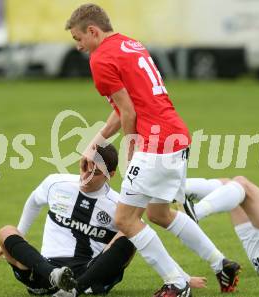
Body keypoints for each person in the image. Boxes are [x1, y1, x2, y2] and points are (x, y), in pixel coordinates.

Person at [65, 4, 240, 296]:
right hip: (175, 136)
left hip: (154, 144)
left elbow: (128, 113)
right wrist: (94, 144)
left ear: (92, 31)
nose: (78, 45)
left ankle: (176, 282)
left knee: (125, 219)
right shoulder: (130, 44)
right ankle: (221, 263)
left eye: (78, 38)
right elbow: (124, 109)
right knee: (159, 213)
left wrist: (132, 152)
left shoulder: (101, 58)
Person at [0, 143, 207, 297]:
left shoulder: (117, 205)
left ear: (110, 174)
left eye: (96, 172)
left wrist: (182, 277)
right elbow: (34, 202)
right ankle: (55, 277)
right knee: (6, 231)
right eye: (85, 166)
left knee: (129, 231)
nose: (87, 175)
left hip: (89, 275)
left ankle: (74, 289)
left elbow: (145, 241)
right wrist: (19, 235)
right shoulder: (56, 183)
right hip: (44, 272)